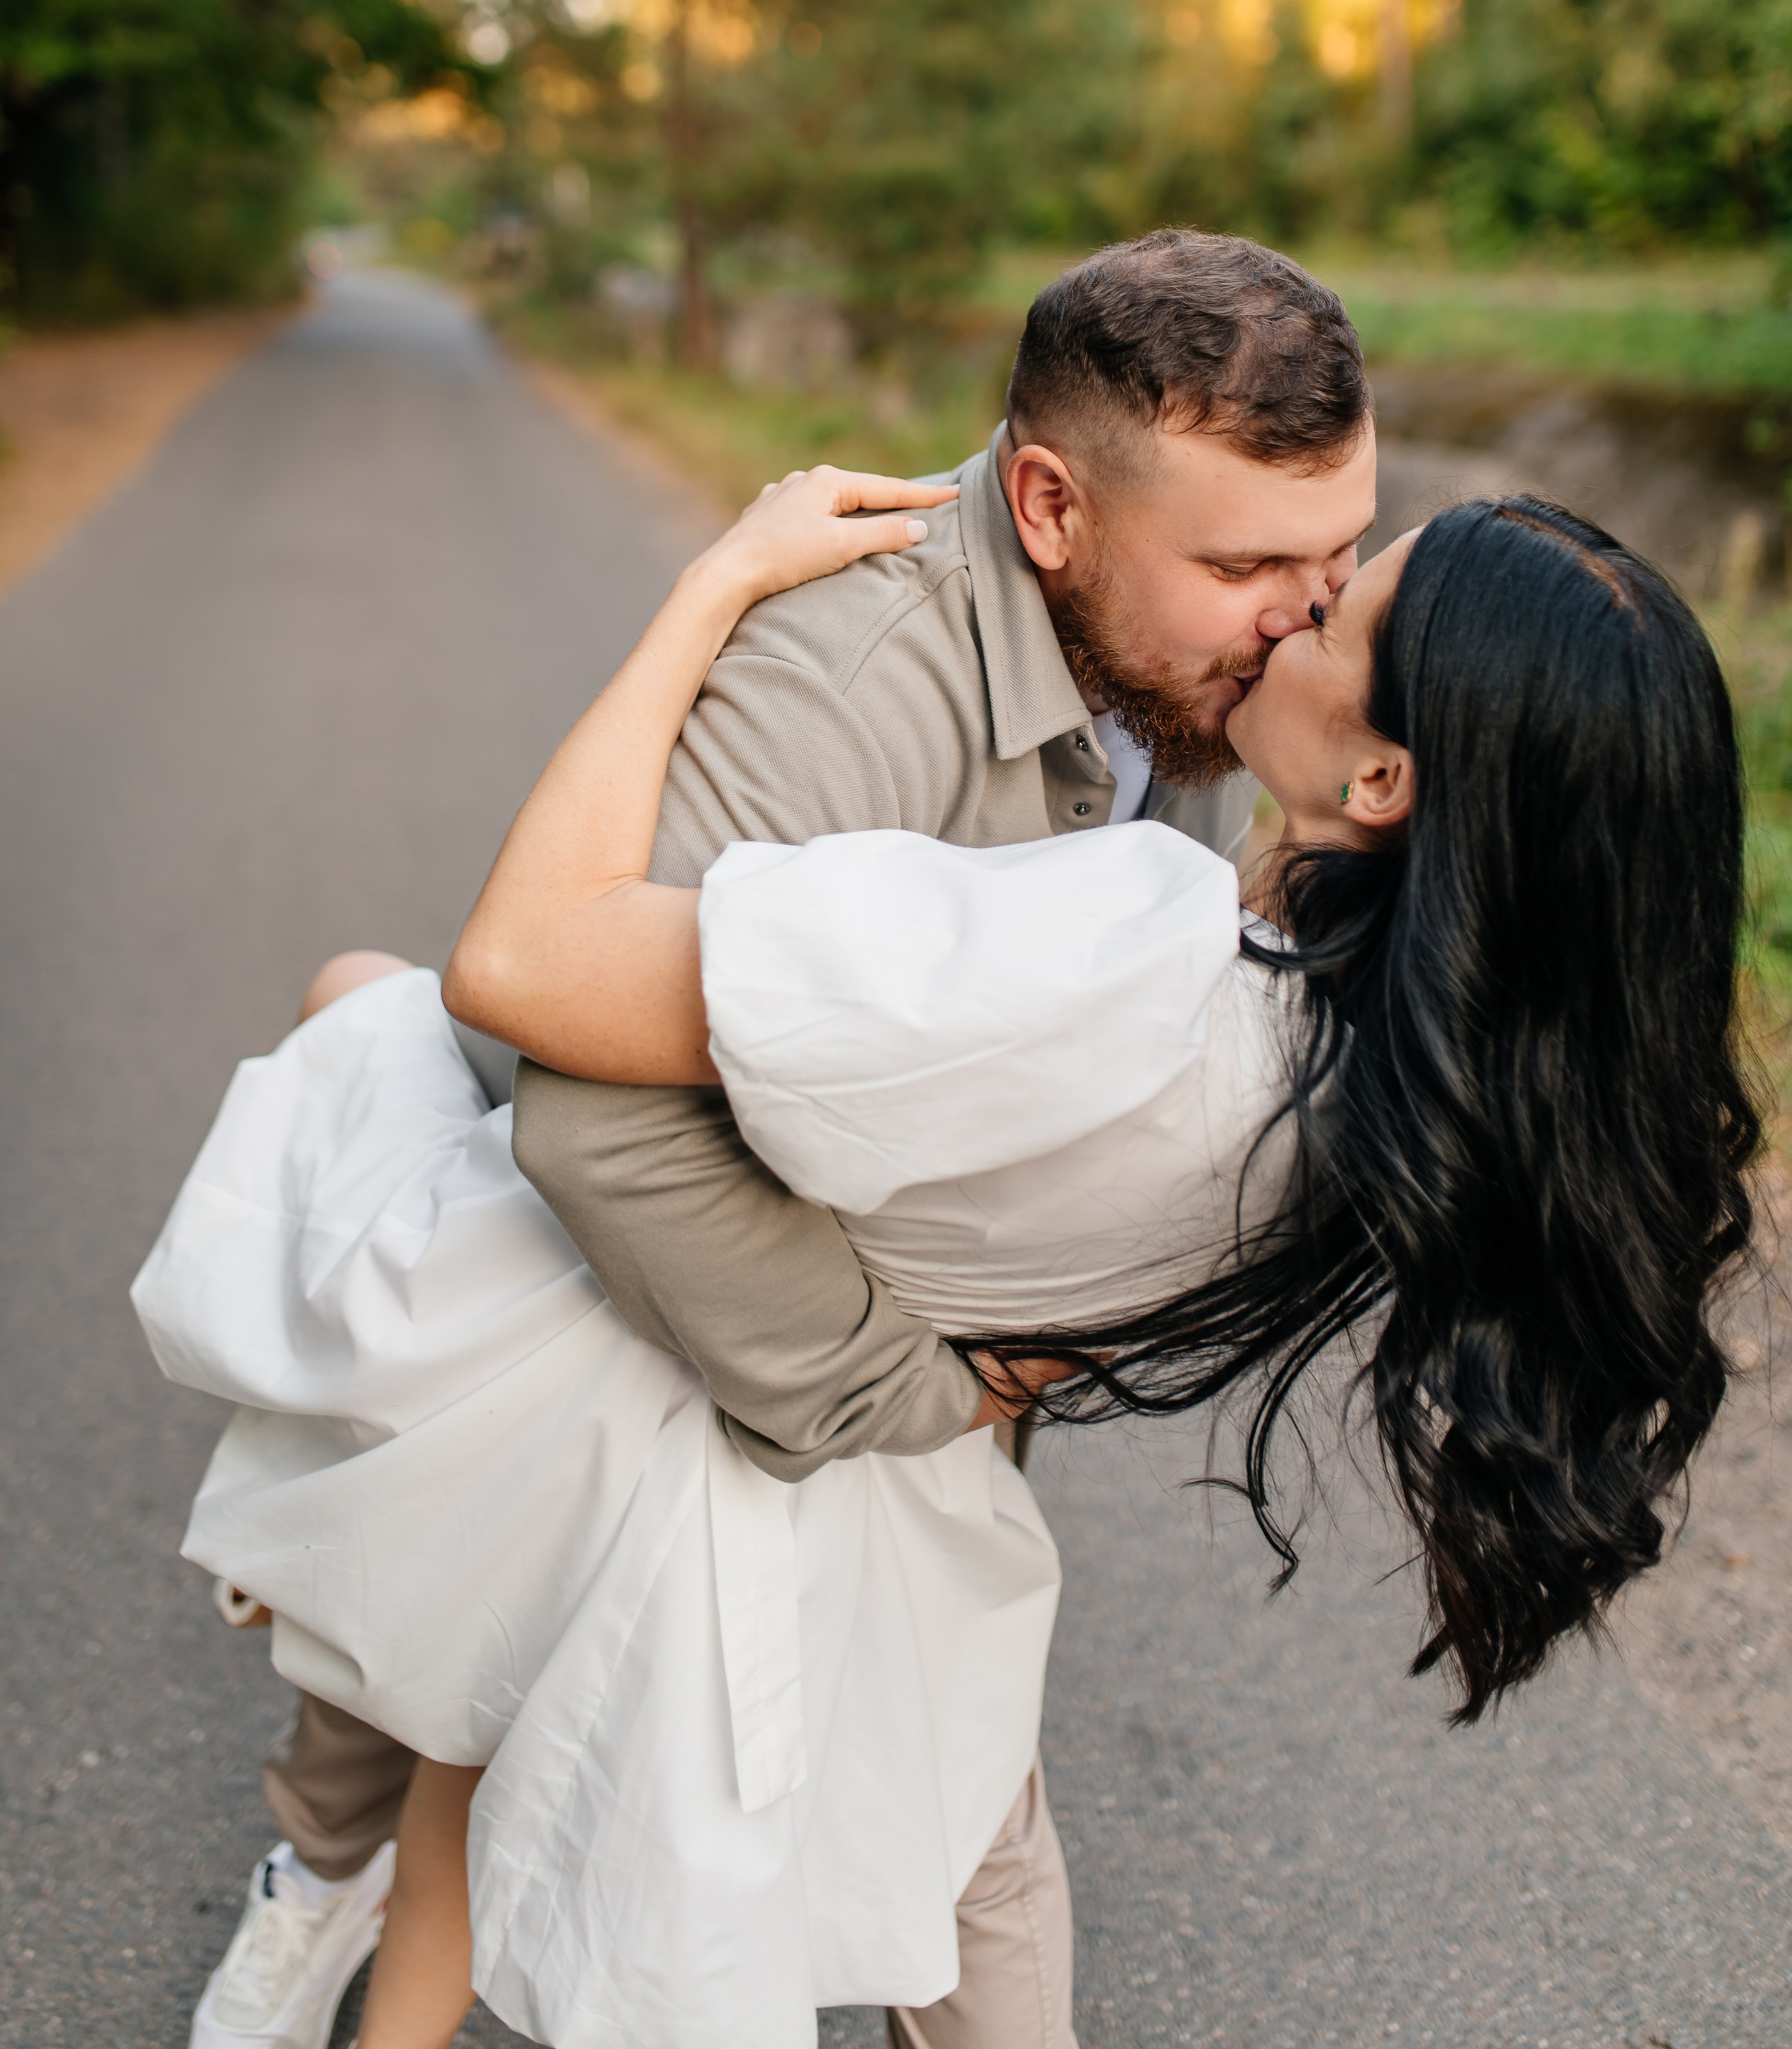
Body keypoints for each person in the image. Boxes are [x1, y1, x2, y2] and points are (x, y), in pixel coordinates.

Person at [141, 463, 1757, 2044]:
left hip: (705, 1387)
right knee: (936, 1856)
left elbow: (524, 963)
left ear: (1386, 781)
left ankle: (319, 1875)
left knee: (363, 1002)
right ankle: (327, 1874)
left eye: (1343, 609)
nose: (1301, 602)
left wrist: (710, 586)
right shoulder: (1408, 1103)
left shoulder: (1134, 940)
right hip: (893, 1451)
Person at [178, 227, 1380, 2049]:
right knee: (427, 1640)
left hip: (810, 1304)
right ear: (1049, 507)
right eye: (1246, 565)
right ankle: (313, 1865)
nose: (1300, 614)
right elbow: (604, 1119)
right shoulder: (856, 683)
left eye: (1335, 559)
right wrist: (920, 1392)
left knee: (890, 1781)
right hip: (637, 1280)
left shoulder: (1190, 676)